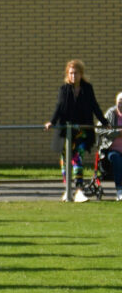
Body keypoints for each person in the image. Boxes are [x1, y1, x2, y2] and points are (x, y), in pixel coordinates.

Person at [45, 60, 109, 202]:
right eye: (71, 73)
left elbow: (94, 106)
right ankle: (68, 189)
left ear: (81, 74)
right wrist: (52, 122)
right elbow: (59, 107)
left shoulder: (87, 89)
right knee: (65, 160)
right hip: (65, 131)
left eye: (76, 73)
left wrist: (104, 122)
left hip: (81, 130)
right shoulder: (64, 89)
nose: (74, 76)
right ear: (68, 74)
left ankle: (79, 189)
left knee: (77, 157)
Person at [100, 92, 122, 201]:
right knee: (116, 158)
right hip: (112, 150)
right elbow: (99, 129)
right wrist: (117, 133)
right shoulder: (111, 113)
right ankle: (119, 190)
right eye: (119, 102)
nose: (121, 104)